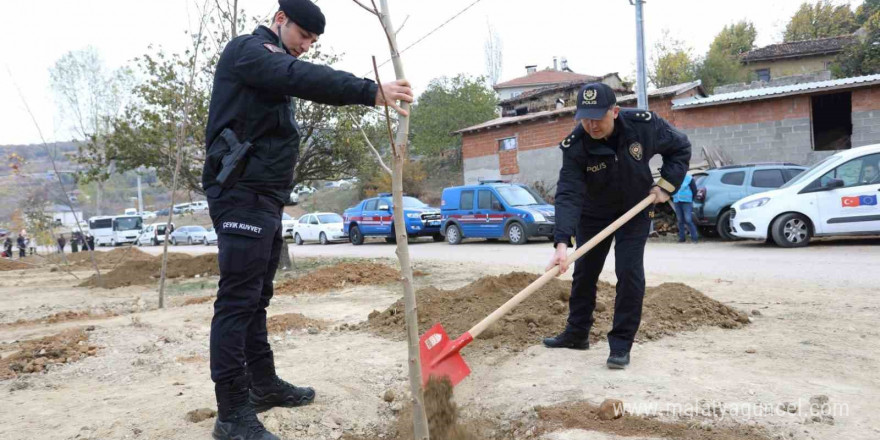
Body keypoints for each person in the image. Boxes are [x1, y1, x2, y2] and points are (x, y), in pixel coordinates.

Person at [202, 1, 413, 439]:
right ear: (280, 20)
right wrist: (369, 90)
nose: (306, 47)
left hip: (265, 197)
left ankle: (262, 384)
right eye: (303, 37)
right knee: (237, 301)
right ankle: (232, 414)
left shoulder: (275, 60)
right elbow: (295, 76)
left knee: (257, 296)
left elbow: (291, 77)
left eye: (314, 42)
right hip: (240, 194)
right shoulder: (248, 51)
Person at [543, 83, 691, 369]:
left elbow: (680, 148)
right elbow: (569, 193)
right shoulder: (576, 146)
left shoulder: (644, 126)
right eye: (585, 118)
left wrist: (667, 186)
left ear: (616, 111)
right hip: (593, 215)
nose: (591, 125)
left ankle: (621, 344)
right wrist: (562, 243)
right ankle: (577, 334)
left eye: (598, 117)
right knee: (584, 273)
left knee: (629, 272)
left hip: (634, 211)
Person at [672, 174, 699, 243]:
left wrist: (690, 199)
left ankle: (694, 238)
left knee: (688, 220)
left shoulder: (689, 178)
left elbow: (694, 190)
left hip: (687, 201)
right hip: (677, 200)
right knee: (680, 220)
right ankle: (682, 238)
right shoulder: (674, 177)